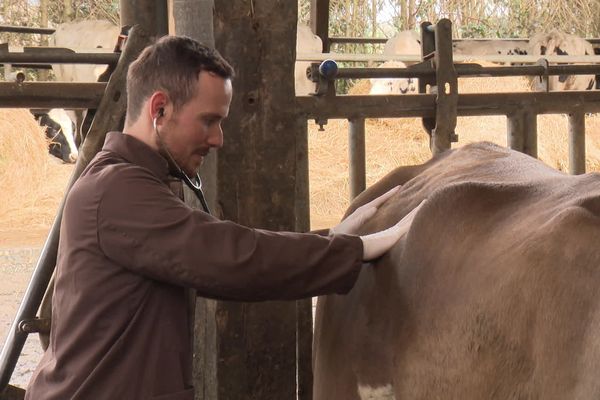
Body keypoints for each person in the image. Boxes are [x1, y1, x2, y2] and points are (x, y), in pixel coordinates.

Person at [25, 36, 424, 399]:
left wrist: (333, 238)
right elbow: (231, 258)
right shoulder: (116, 190)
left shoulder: (145, 184)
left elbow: (220, 247)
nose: (218, 139)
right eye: (209, 120)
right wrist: (355, 249)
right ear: (159, 109)